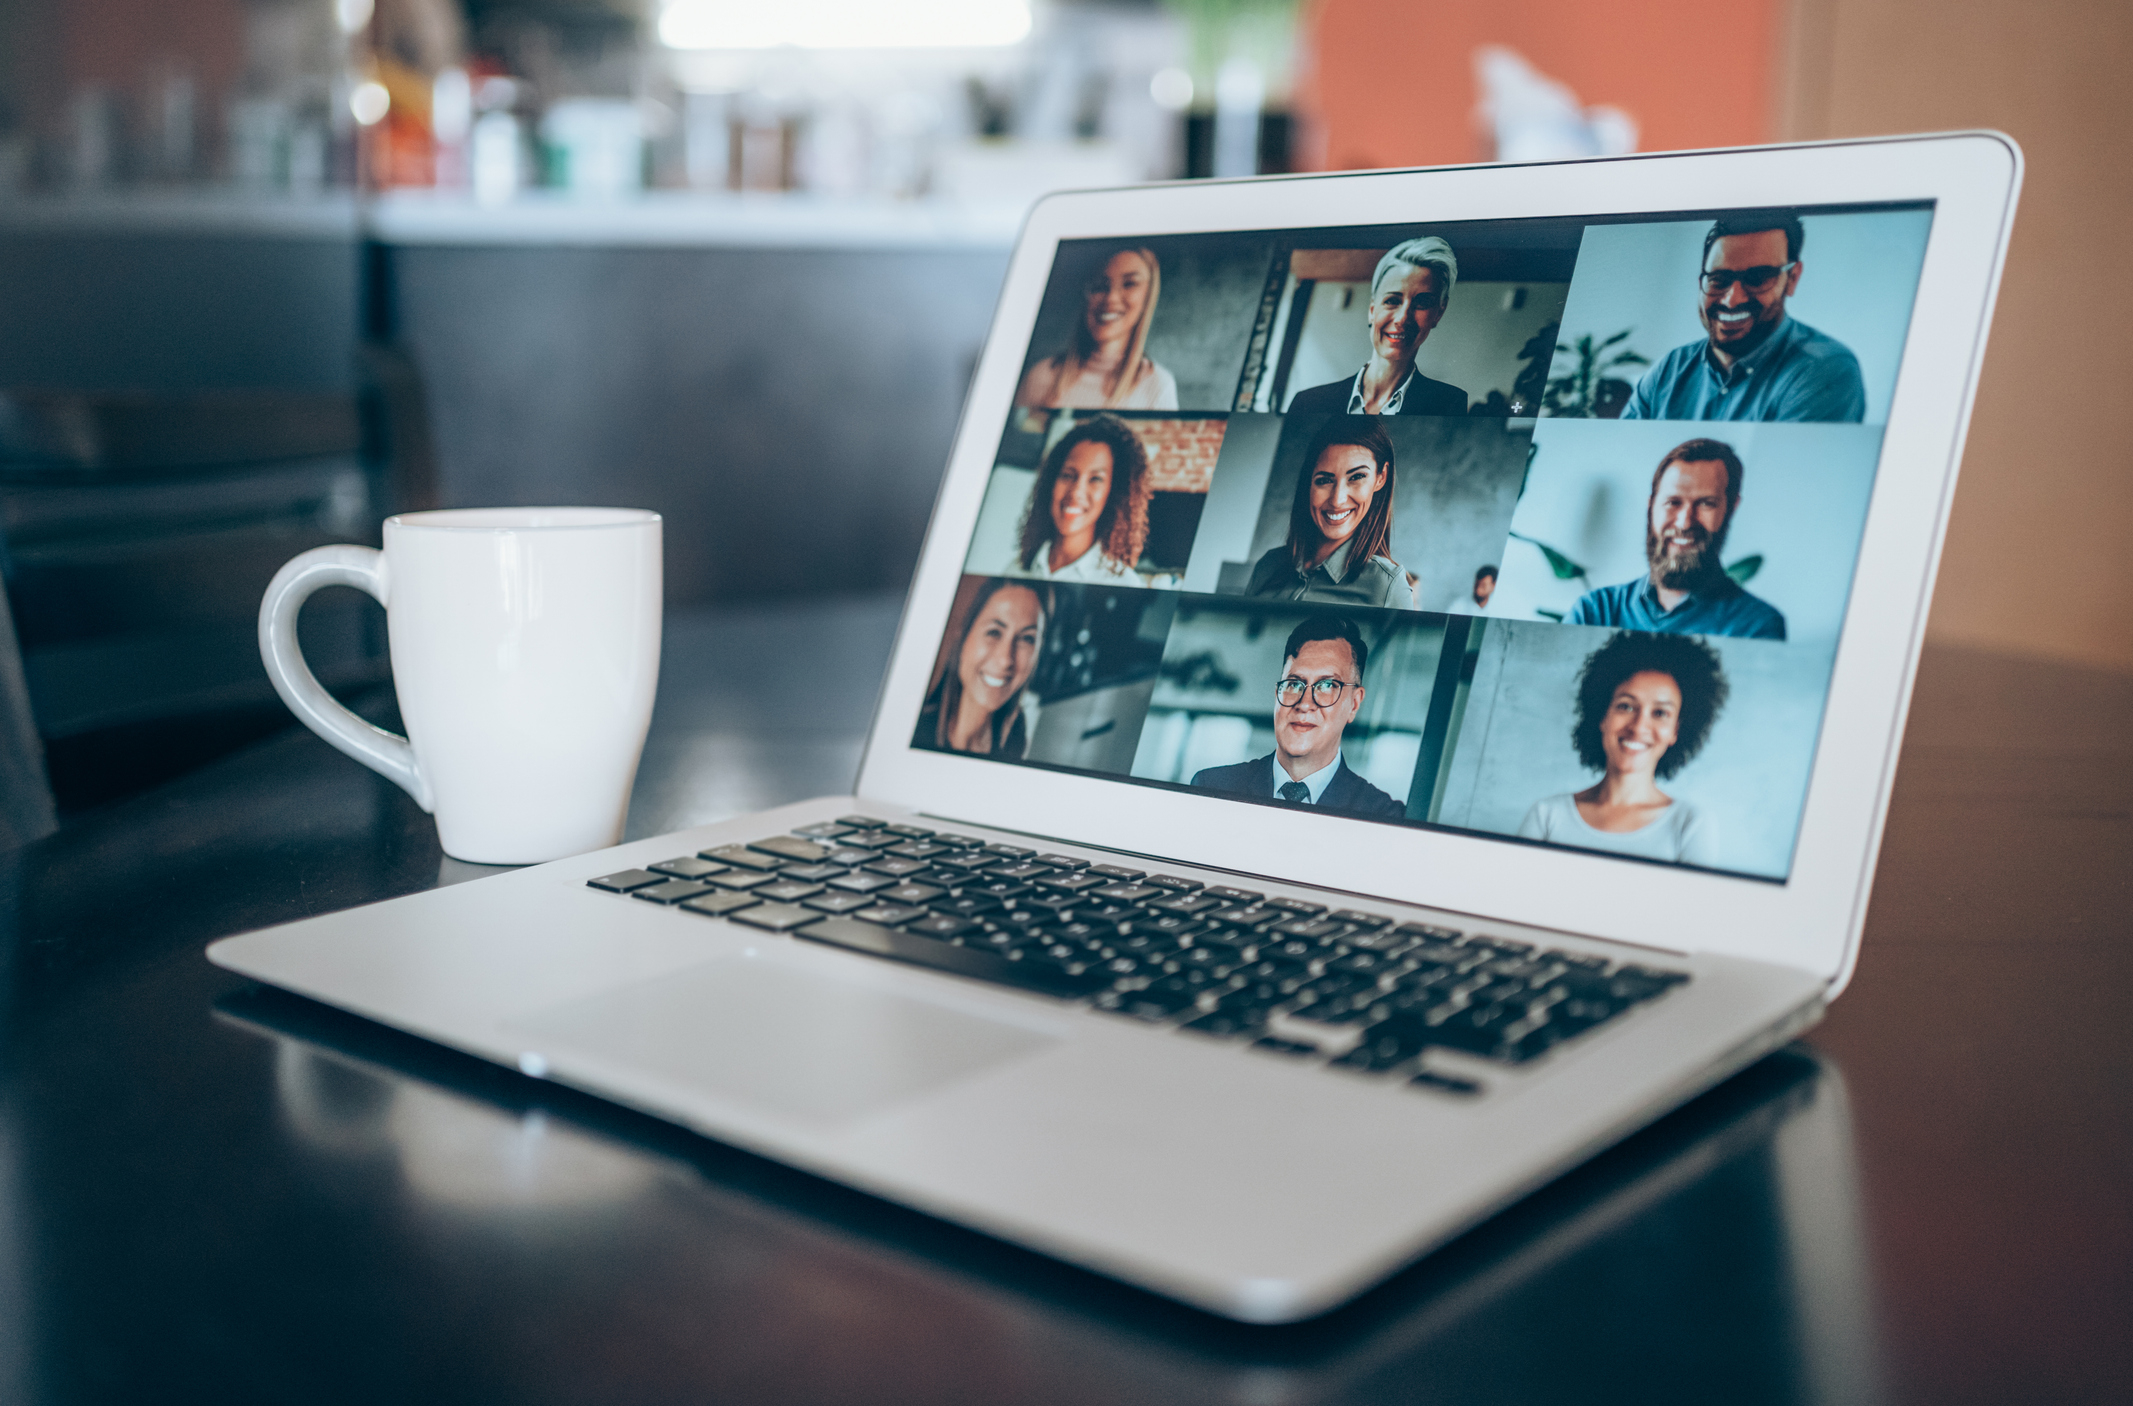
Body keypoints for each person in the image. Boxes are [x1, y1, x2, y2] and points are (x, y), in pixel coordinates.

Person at [1622, 211, 1866, 423]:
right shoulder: (1668, 370)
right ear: (1701, 283)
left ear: (1792, 279)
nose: (1732, 299)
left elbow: (1788, 474)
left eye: (1758, 278)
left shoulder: (1825, 370)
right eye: (1719, 279)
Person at [1518, 631, 1727, 866]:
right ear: (1602, 717)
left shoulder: (1691, 824)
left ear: (1676, 731)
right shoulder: (1547, 815)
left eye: (1660, 713)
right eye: (1626, 706)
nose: (1638, 727)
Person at [1566, 438, 1786, 639]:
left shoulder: (1756, 626)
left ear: (1731, 508)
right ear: (1651, 505)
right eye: (1673, 502)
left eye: (1706, 503)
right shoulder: (1594, 611)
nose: (1684, 523)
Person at [1190, 615, 1405, 819]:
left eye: (1327, 685)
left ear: (1354, 704)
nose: (1304, 703)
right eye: (1294, 684)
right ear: (1277, 695)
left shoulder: (1383, 815)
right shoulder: (1211, 787)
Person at [1284, 237, 1468, 417]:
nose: (1402, 318)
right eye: (1392, 301)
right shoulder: (1307, 403)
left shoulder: (1449, 404)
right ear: (1372, 310)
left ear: (1438, 314)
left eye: (1422, 303)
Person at [1243, 418, 1414, 608]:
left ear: (1380, 478)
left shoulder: (1388, 587)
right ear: (1309, 484)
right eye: (1324, 480)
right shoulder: (1268, 566)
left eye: (1357, 477)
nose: (1337, 500)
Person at [1005, 414, 1167, 585]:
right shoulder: (1016, 570)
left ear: (1114, 493)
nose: (1076, 492)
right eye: (1068, 475)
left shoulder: (1123, 584)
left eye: (1095, 479)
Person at [1014, 247, 1179, 410]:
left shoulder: (1158, 386)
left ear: (1148, 297)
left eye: (1129, 284)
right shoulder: (1040, 377)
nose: (1111, 299)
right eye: (1100, 286)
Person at [913, 579, 1049, 759]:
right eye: (994, 632)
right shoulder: (914, 730)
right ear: (963, 638)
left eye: (1027, 639)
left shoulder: (1017, 740)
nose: (1005, 660)